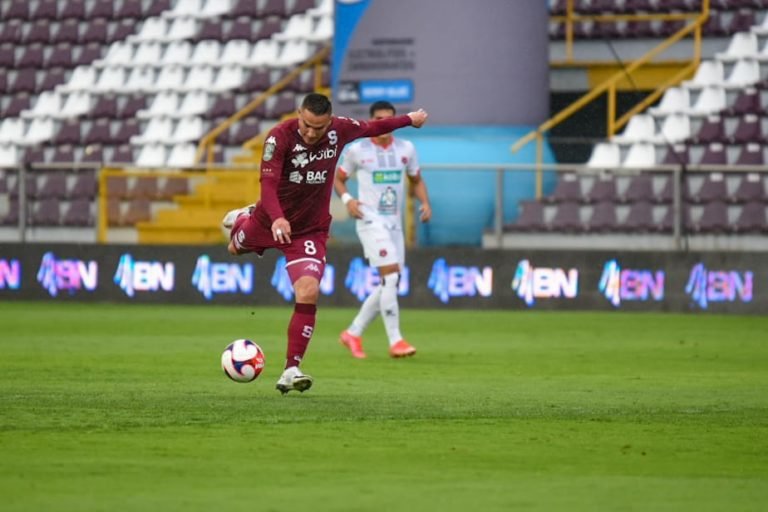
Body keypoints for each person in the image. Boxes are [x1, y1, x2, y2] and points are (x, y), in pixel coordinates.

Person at [221, 93, 428, 394]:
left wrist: (410, 119)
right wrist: (277, 218)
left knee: (308, 290)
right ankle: (245, 216)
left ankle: (291, 368)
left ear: (329, 122)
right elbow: (267, 184)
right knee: (234, 248)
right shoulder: (278, 138)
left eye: (317, 128)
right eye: (305, 124)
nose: (310, 132)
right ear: (298, 115)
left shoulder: (339, 131)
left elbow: (372, 127)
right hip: (270, 219)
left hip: (309, 230)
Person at [335, 101, 432, 359]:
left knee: (391, 282)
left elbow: (416, 178)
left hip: (394, 223)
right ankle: (396, 340)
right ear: (372, 120)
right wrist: (348, 200)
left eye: (389, 119)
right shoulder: (357, 150)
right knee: (390, 277)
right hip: (369, 220)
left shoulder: (406, 149)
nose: (384, 125)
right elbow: (338, 178)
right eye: (379, 119)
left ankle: (353, 333)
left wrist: (424, 202)